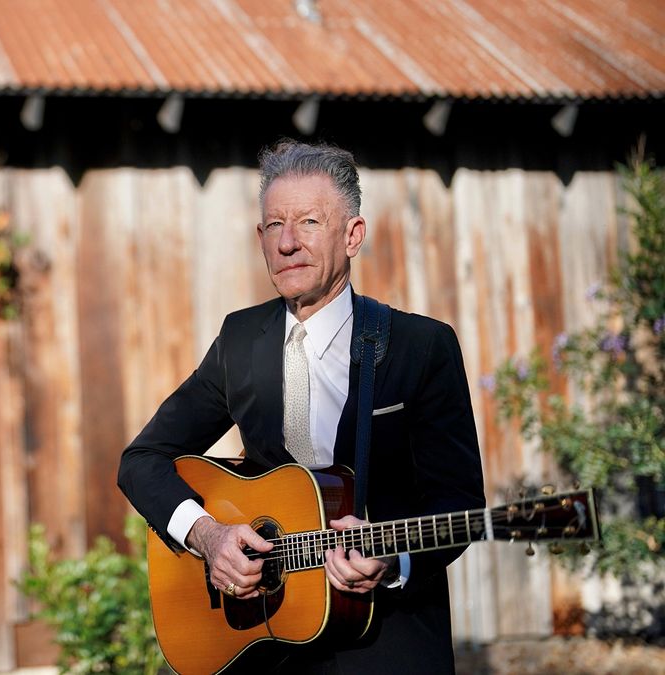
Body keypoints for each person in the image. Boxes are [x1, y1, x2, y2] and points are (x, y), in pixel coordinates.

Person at [117, 140, 485, 673]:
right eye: (273, 226)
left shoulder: (420, 346)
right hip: (265, 644)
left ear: (352, 236)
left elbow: (460, 504)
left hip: (387, 645)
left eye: (309, 222)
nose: (288, 243)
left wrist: (394, 559)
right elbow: (142, 460)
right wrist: (208, 535)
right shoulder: (239, 340)